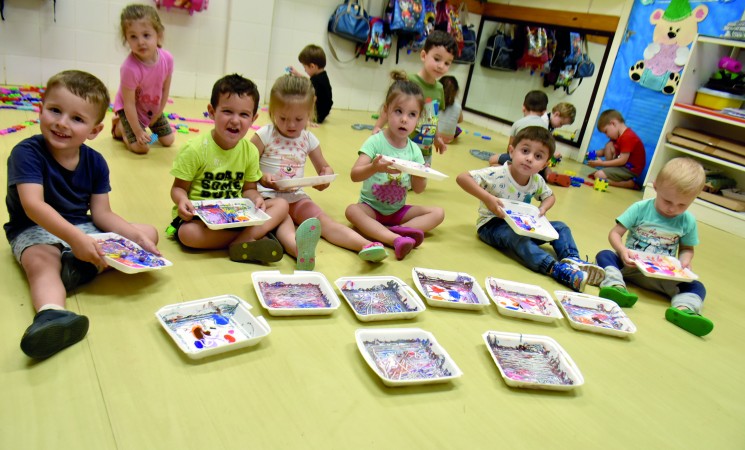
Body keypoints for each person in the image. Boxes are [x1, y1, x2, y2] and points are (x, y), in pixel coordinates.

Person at [5, 70, 161, 359]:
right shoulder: (26, 153)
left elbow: (102, 214)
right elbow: (33, 206)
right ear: (41, 109)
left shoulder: (96, 162)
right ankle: (51, 314)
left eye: (77, 119)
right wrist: (76, 239)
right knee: (41, 261)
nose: (62, 123)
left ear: (94, 130)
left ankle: (79, 267)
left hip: (82, 226)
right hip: (34, 229)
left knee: (148, 233)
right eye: (55, 111)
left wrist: (136, 237)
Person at [252, 75, 388, 269]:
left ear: (309, 114)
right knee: (285, 225)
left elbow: (324, 167)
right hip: (269, 198)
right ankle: (300, 252)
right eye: (283, 118)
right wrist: (261, 176)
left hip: (296, 196)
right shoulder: (265, 134)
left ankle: (365, 245)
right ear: (272, 111)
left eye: (299, 119)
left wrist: (325, 176)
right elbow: (245, 165)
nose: (291, 125)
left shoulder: (308, 139)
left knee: (324, 221)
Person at [456, 126, 605, 292]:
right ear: (512, 151)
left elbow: (550, 196)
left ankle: (572, 260)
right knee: (517, 238)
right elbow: (463, 178)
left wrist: (543, 208)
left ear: (544, 165)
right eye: (525, 151)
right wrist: (487, 198)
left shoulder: (536, 180)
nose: (529, 158)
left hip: (525, 226)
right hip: (492, 225)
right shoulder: (497, 174)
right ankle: (554, 268)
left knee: (560, 227)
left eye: (538, 156)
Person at [169, 74, 289, 265]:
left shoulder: (249, 151)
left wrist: (256, 199)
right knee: (186, 234)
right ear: (211, 111)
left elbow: (249, 189)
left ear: (253, 118)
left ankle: (242, 241)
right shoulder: (195, 149)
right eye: (227, 111)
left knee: (281, 205)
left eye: (244, 114)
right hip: (202, 221)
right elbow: (178, 188)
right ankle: (248, 240)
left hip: (237, 218)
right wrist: (182, 200)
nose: (235, 121)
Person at [596, 157, 713, 336]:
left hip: (664, 278)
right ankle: (616, 287)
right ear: (656, 186)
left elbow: (687, 249)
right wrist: (622, 250)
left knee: (697, 286)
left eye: (682, 204)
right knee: (604, 255)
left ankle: (683, 309)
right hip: (630, 267)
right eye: (667, 201)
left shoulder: (687, 220)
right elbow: (615, 233)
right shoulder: (640, 208)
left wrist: (684, 263)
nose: (672, 209)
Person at [346, 71, 445, 260]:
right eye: (398, 111)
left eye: (412, 114)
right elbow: (354, 175)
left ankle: (387, 232)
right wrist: (374, 167)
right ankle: (395, 238)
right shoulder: (375, 142)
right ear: (387, 110)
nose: (404, 119)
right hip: (371, 208)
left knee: (438, 213)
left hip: (398, 211)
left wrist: (419, 172)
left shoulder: (415, 150)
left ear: (418, 119)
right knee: (352, 211)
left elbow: (419, 189)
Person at [372, 30, 458, 166]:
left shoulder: (440, 89)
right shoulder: (409, 82)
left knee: (418, 185)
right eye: (437, 59)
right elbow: (390, 107)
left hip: (424, 150)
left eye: (447, 63)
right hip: (402, 145)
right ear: (424, 55)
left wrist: (437, 138)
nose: (441, 66)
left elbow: (433, 119)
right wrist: (377, 127)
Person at [111, 4, 174, 155]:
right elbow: (129, 104)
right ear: (126, 39)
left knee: (168, 140)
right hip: (130, 111)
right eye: (133, 36)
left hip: (152, 109)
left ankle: (140, 131)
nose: (140, 42)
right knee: (142, 148)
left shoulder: (167, 59)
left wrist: (158, 114)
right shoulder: (129, 68)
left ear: (158, 35)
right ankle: (120, 128)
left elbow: (165, 90)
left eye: (146, 35)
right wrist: (138, 132)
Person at [587, 109, 646, 189]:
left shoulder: (627, 137)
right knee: (609, 145)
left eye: (606, 131)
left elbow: (622, 160)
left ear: (613, 123)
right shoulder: (617, 136)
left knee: (598, 175)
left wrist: (602, 163)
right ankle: (608, 171)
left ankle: (628, 184)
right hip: (621, 167)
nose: (607, 136)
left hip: (629, 170)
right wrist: (591, 153)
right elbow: (604, 151)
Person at [488, 90, 548, 167]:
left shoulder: (518, 123)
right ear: (544, 112)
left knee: (492, 159)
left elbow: (510, 147)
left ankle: (509, 169)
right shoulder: (545, 126)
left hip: (518, 159)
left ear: (523, 107)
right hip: (536, 161)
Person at [289, 44, 333, 125]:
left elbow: (313, 98)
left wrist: (308, 117)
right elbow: (309, 82)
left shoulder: (317, 80)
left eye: (305, 68)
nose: (305, 70)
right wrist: (297, 73)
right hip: (324, 111)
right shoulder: (322, 76)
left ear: (312, 66)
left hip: (317, 115)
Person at [438, 75, 463, 144]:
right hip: (449, 139)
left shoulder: (435, 101)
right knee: (458, 129)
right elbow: (460, 120)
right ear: (456, 91)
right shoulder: (458, 106)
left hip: (434, 136)